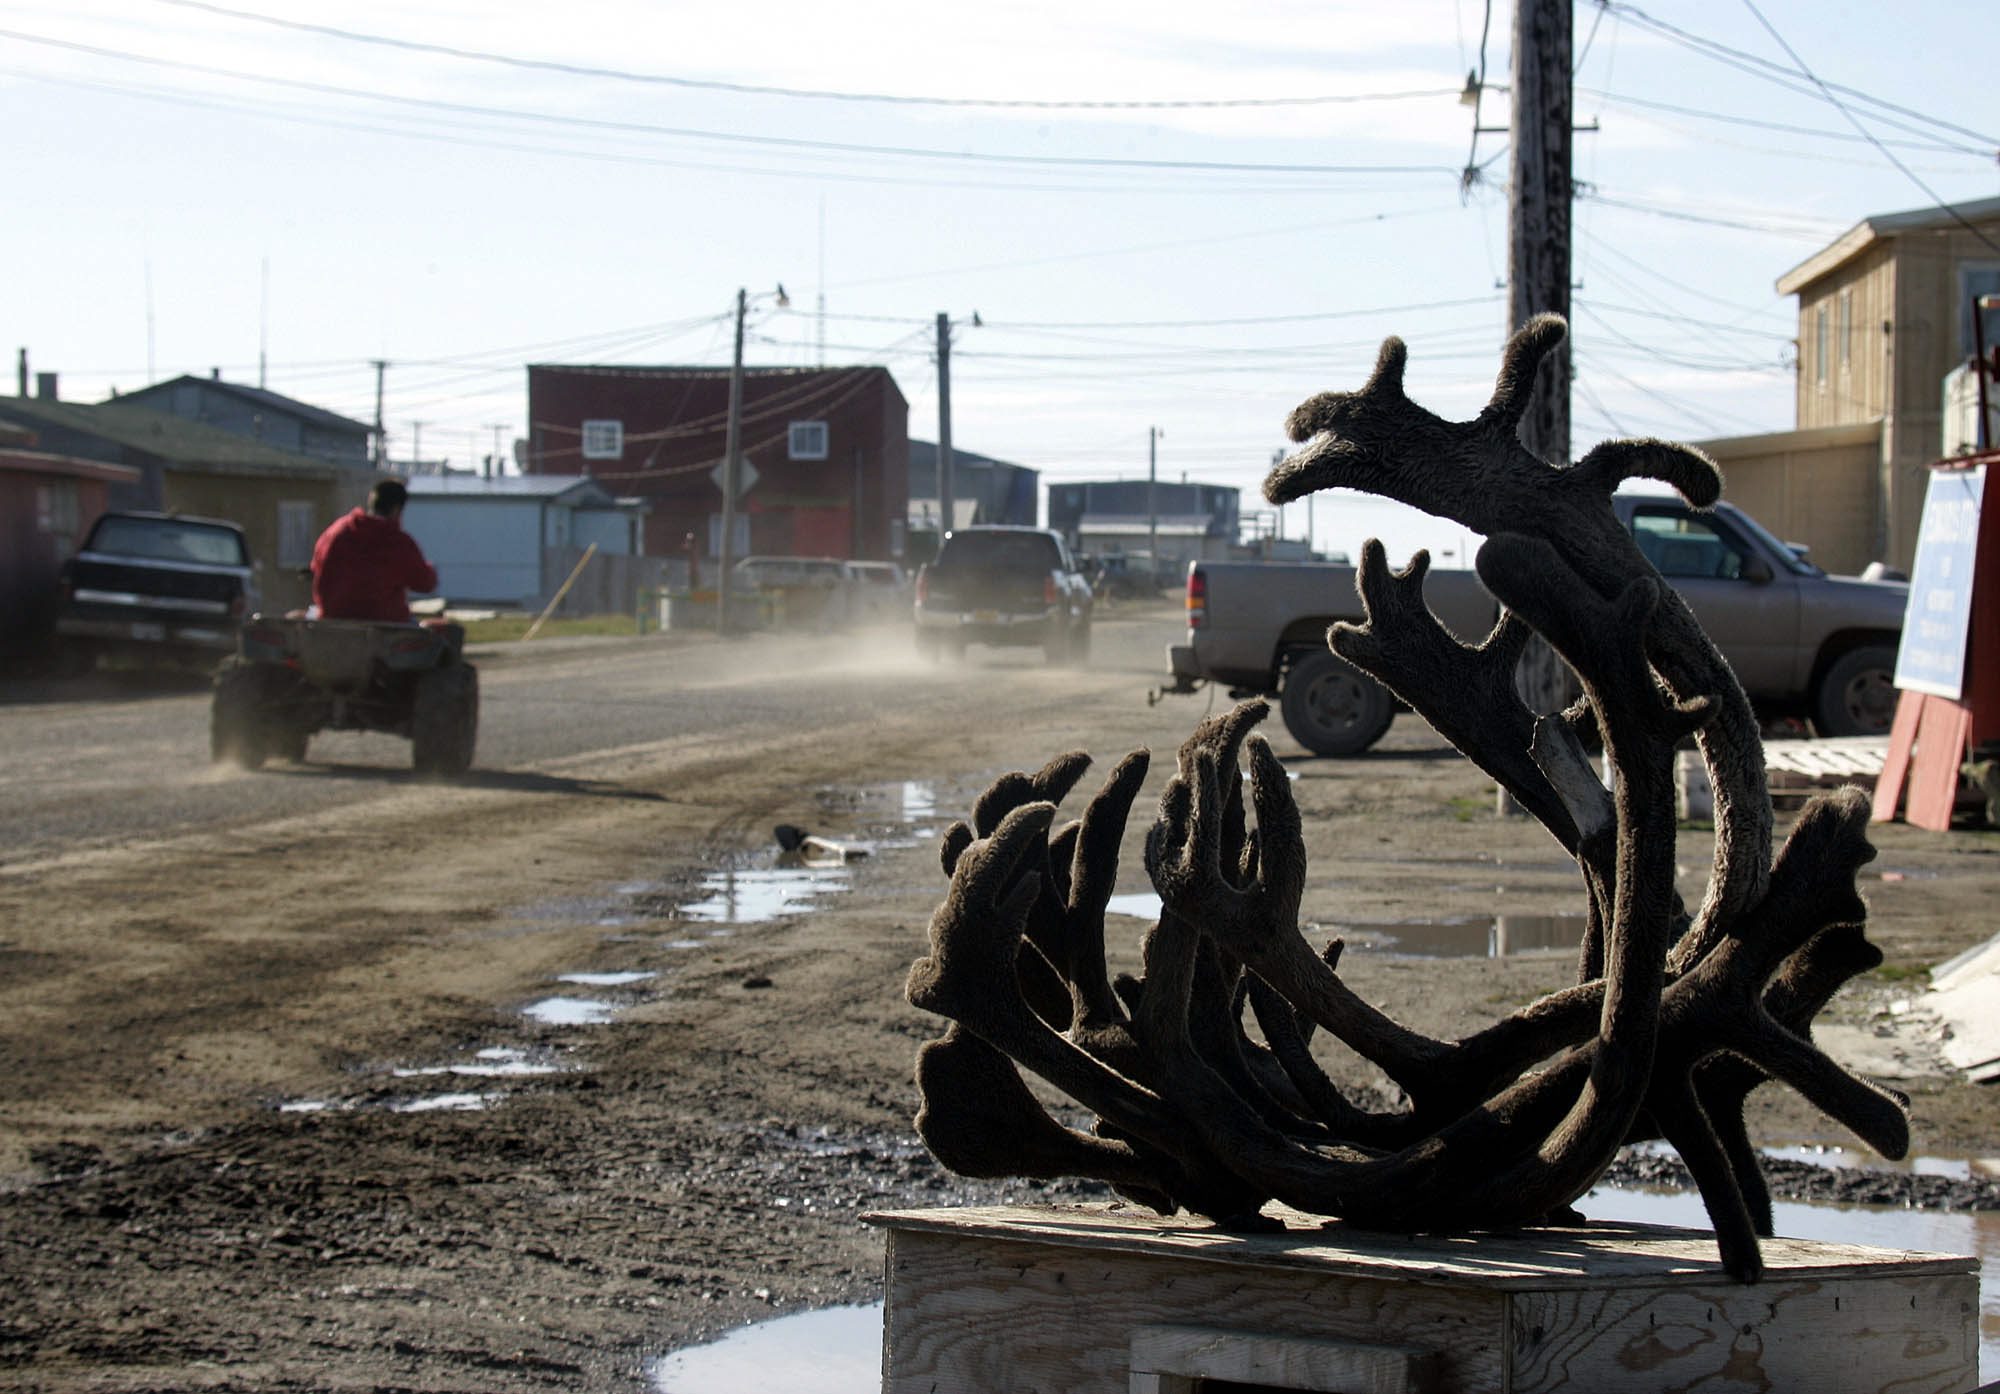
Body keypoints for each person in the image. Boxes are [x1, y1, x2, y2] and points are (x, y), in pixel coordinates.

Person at [310, 479, 439, 622]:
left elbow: (316, 566)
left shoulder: (336, 531)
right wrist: (431, 570)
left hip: (331, 619)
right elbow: (425, 583)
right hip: (385, 625)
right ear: (397, 509)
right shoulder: (397, 542)